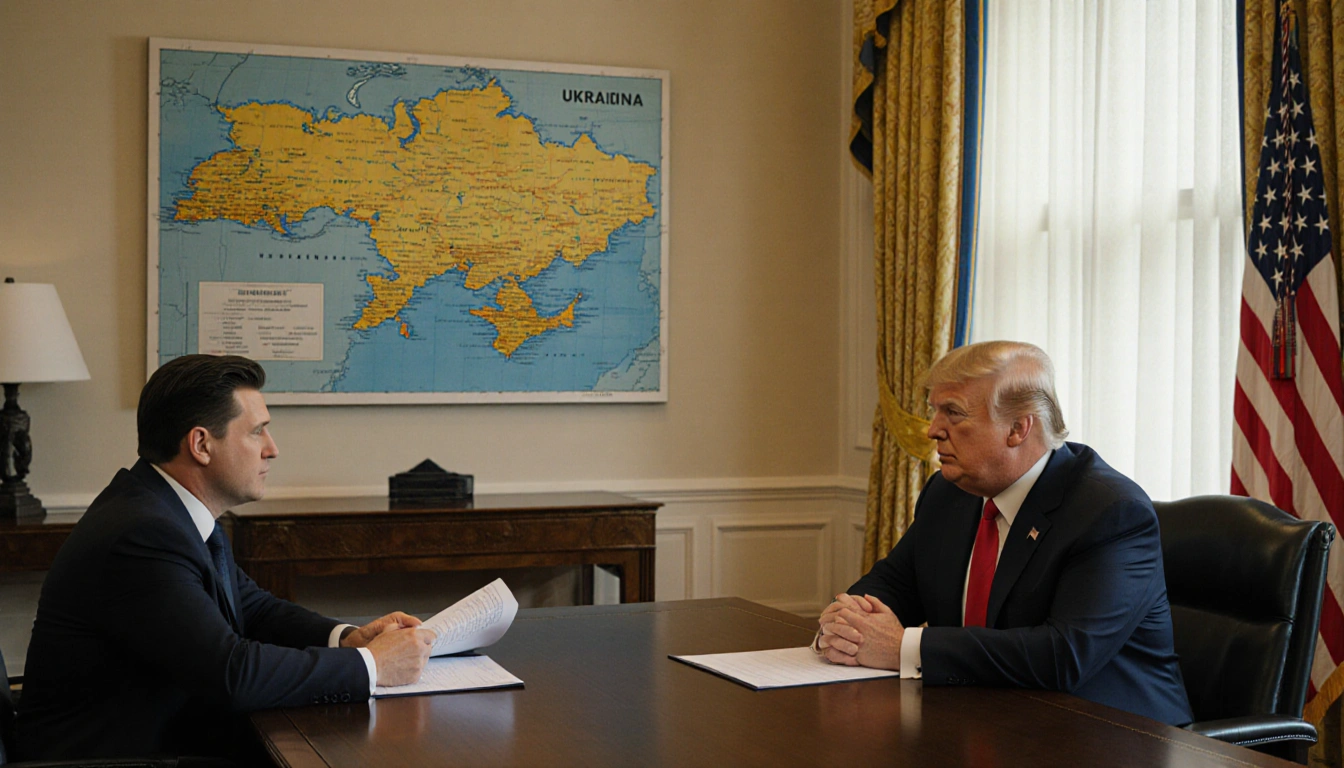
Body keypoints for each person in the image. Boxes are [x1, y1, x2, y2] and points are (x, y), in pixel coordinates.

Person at [15, 355, 436, 762]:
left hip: (175, 738)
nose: (272, 449)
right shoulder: (141, 532)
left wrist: (348, 638)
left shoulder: (168, 509)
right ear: (201, 444)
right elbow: (232, 674)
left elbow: (252, 608)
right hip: (123, 757)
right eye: (257, 432)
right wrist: (373, 664)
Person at [817, 341, 1193, 726]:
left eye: (953, 413)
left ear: (1018, 428)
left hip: (1115, 736)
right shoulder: (948, 493)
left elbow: (1064, 657)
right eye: (935, 411)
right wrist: (847, 622)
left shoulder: (1109, 512)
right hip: (987, 721)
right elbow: (894, 584)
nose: (932, 431)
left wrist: (904, 647)